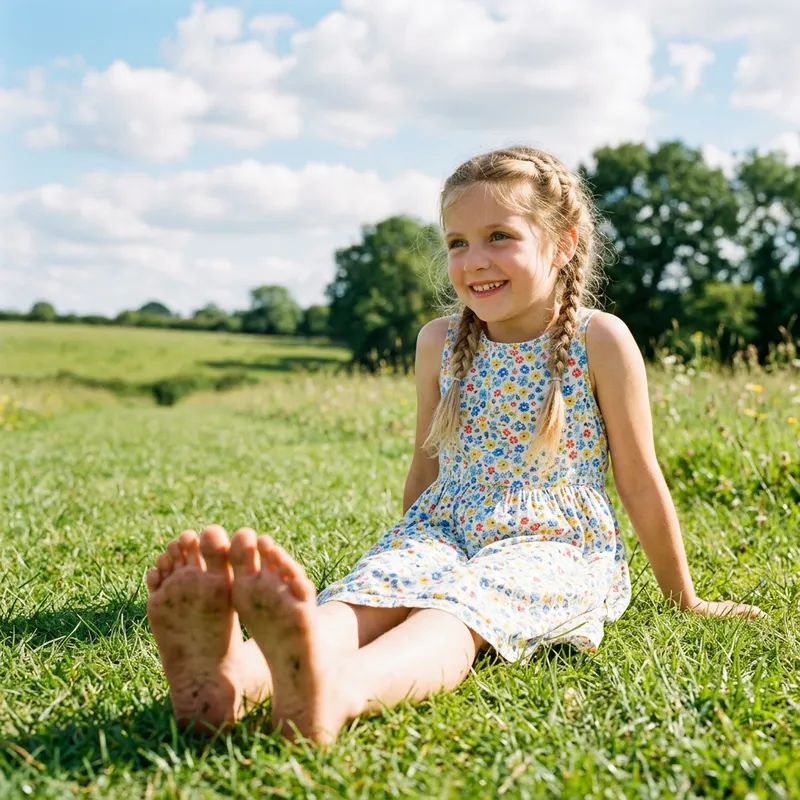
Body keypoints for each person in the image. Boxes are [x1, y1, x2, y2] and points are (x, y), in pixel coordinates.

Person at [146, 146, 764, 745]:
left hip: (552, 541)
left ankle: (341, 691)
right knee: (370, 596)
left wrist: (686, 599)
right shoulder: (437, 341)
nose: (476, 259)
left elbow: (638, 476)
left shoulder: (598, 339)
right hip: (445, 524)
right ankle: (233, 680)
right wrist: (405, 552)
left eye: (500, 236)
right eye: (457, 243)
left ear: (565, 243)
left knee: (456, 613)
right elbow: (426, 462)